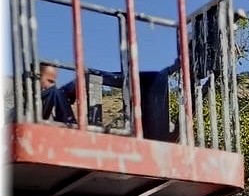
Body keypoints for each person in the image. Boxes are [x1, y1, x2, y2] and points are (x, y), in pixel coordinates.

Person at [38, 60, 181, 141]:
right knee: (59, 91)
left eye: (54, 80)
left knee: (91, 77)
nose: (52, 84)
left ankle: (165, 72)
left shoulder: (54, 96)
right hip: (66, 134)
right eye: (49, 80)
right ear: (37, 78)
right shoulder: (38, 99)